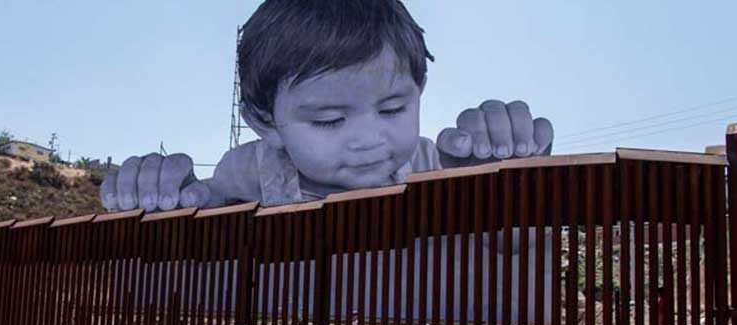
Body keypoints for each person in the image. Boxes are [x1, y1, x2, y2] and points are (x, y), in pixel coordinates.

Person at [100, 0, 554, 212]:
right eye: (330, 120)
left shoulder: (436, 165)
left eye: (393, 109)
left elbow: (508, 248)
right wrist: (170, 198)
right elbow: (206, 208)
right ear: (265, 122)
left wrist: (498, 183)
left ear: (421, 90)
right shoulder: (249, 172)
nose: (369, 139)